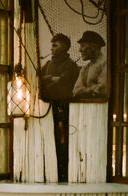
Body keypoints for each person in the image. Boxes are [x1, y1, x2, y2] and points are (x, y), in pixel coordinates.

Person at [39, 33, 79, 182]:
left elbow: (62, 84)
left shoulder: (71, 65)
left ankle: (64, 173)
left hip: (64, 109)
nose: (52, 47)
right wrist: (49, 78)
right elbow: (38, 78)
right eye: (52, 44)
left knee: (63, 142)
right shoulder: (48, 64)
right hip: (47, 110)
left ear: (64, 47)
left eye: (55, 45)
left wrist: (48, 83)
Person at [72, 30, 107, 100]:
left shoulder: (105, 64)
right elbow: (75, 91)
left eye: (83, 46)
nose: (80, 50)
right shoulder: (85, 68)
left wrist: (84, 90)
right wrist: (92, 89)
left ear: (94, 47)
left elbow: (103, 90)